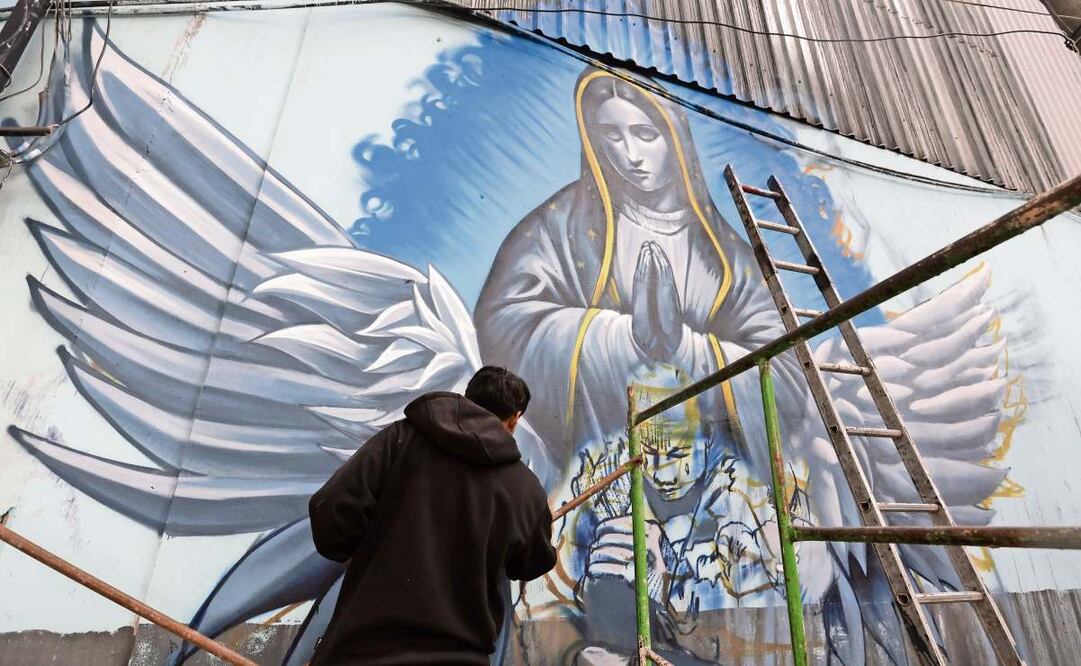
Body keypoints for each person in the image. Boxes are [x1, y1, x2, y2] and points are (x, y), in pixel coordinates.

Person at [308, 366, 557, 665]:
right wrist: (537, 522)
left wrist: (365, 548)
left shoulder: (400, 440)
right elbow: (532, 562)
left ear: (467, 399)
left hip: (361, 651)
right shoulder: (524, 487)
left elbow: (331, 510)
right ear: (515, 419)